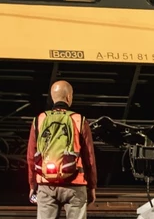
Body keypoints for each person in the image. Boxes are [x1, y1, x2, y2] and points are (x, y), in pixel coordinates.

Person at [27, 80, 98, 219]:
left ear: (52, 97)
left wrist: (32, 185)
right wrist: (92, 186)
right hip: (75, 184)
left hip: (46, 183)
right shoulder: (79, 120)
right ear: (69, 97)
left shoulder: (39, 119)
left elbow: (31, 156)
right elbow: (89, 157)